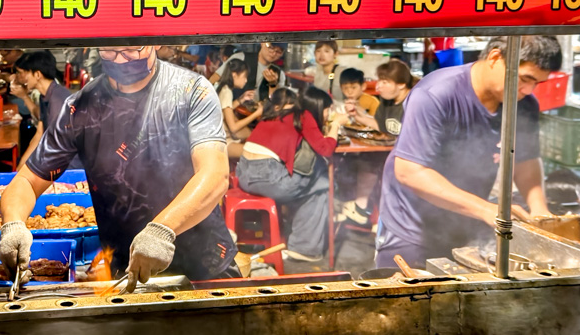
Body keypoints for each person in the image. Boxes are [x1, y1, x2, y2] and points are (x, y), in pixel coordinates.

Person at [0, 45, 236, 289]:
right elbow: (27, 180)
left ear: (154, 43)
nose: (121, 59)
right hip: (129, 272)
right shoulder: (79, 109)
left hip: (203, 267)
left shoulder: (190, 91)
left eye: (132, 49)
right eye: (111, 51)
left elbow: (215, 174)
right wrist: (13, 223)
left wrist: (161, 230)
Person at [374, 35, 562, 269]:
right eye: (524, 78)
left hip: (466, 227)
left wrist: (539, 209)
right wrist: (485, 209)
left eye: (537, 83)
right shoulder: (436, 94)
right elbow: (409, 172)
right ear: (495, 57)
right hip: (411, 231)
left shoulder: (524, 104)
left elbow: (525, 160)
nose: (528, 90)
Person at [236, 86, 342, 263]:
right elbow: (325, 149)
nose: (328, 114)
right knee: (322, 181)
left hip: (244, 174)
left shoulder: (281, 112)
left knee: (316, 185)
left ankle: (303, 245)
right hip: (269, 177)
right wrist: (336, 124)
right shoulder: (304, 115)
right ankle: (305, 248)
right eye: (327, 110)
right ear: (317, 107)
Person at [338, 60, 416, 226]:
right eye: (379, 81)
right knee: (362, 160)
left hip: (412, 160)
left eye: (384, 82)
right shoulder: (387, 102)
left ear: (401, 84)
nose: (378, 86)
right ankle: (363, 210)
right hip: (391, 153)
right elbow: (382, 126)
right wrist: (358, 116)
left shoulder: (414, 102)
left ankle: (373, 214)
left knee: (370, 162)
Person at [10, 50, 82, 170]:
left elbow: (58, 147)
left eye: (26, 73)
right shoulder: (45, 96)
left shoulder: (59, 100)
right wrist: (20, 168)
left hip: (71, 166)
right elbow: (39, 134)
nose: (24, 78)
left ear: (37, 75)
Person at [214, 58, 262, 159]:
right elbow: (234, 127)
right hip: (221, 142)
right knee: (255, 152)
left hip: (217, 137)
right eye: (245, 76)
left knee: (250, 134)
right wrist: (256, 114)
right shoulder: (227, 92)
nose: (246, 80)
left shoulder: (221, 86)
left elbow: (225, 109)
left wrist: (241, 99)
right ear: (234, 75)